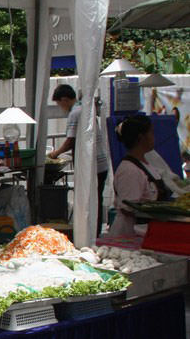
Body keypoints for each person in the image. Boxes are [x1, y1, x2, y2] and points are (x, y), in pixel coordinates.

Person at [47, 84, 109, 237]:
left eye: (59, 104)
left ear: (65, 99)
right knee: (96, 199)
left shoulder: (76, 112)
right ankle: (94, 232)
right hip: (100, 163)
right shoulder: (86, 108)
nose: (60, 107)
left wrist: (55, 153)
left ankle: (89, 233)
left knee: (89, 200)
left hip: (91, 164)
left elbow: (71, 140)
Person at [109, 115, 171, 237]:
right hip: (130, 233)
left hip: (147, 231)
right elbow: (127, 208)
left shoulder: (146, 163)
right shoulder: (129, 170)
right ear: (141, 138)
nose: (154, 137)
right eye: (151, 133)